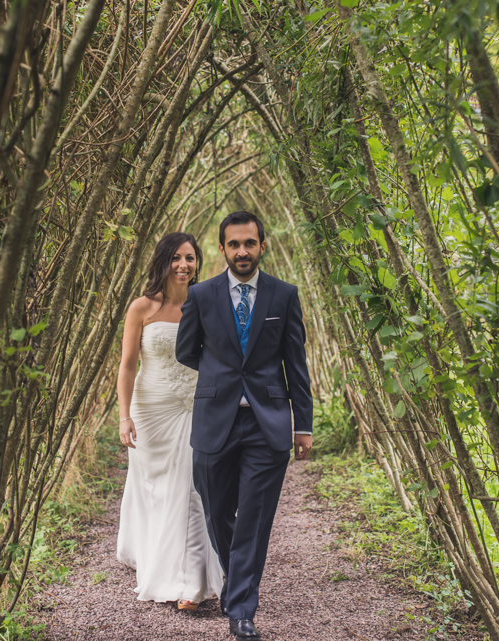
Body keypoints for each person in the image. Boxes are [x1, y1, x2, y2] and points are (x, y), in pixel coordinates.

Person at [176, 211, 313, 640]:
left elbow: (297, 364)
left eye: (249, 243)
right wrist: (221, 373)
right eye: (234, 244)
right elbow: (186, 350)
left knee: (254, 517)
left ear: (262, 246)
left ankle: (240, 611)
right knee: (217, 511)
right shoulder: (200, 295)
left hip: (267, 422)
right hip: (215, 419)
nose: (242, 251)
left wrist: (303, 424)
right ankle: (240, 583)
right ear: (222, 249)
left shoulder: (284, 295)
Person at [115, 232, 224, 609]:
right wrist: (123, 416)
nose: (183, 265)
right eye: (176, 257)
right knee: (155, 492)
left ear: (198, 263)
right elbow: (128, 366)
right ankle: (154, 559)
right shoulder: (141, 307)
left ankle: (192, 583)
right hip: (151, 409)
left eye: (190, 258)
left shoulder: (206, 304)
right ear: (163, 261)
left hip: (195, 407)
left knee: (193, 489)